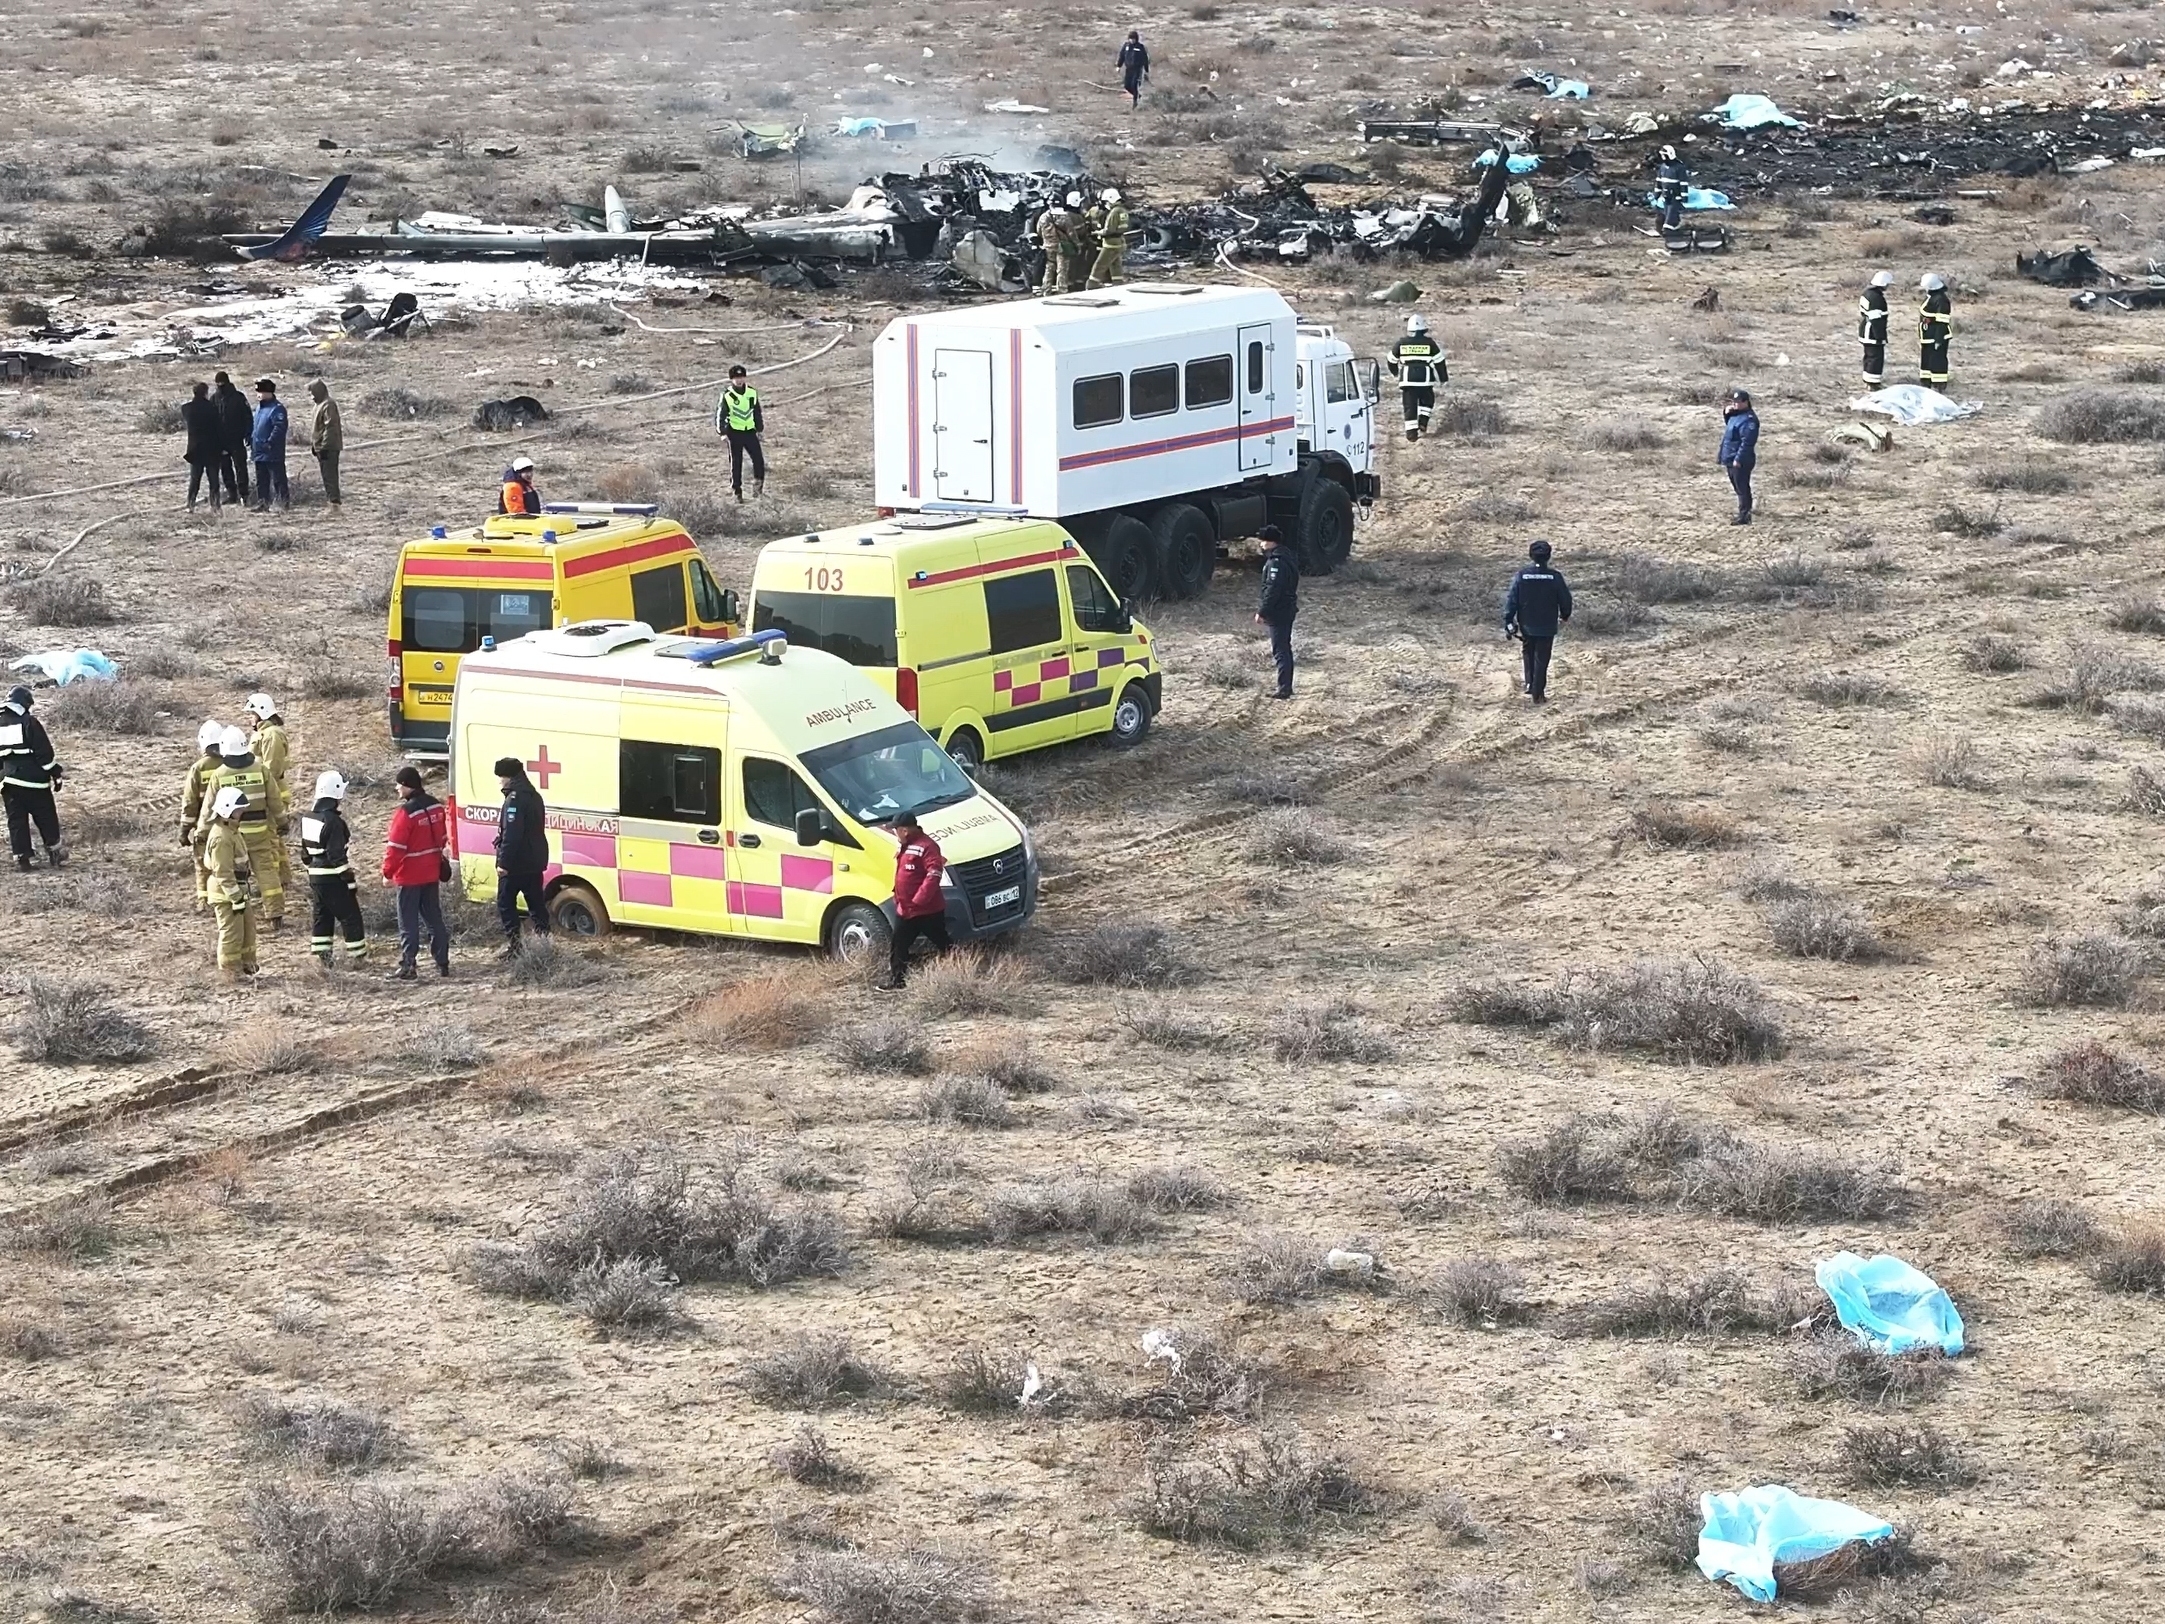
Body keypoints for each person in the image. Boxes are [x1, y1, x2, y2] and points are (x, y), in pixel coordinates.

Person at [197, 726, 285, 927]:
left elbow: (208, 807)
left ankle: (237, 909)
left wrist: (201, 833)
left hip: (232, 834)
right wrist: (282, 822)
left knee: (232, 872)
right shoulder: (260, 769)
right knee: (266, 871)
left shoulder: (220, 774)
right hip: (259, 832)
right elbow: (275, 799)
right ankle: (275, 915)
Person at [382, 765, 451, 980]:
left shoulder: (406, 813)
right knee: (434, 919)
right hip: (431, 872)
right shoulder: (436, 807)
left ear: (407, 786)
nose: (396, 788)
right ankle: (443, 962)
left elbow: (396, 847)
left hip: (409, 876)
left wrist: (387, 872)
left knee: (408, 922)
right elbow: (443, 838)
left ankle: (408, 965)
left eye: (399, 784)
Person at [301, 770, 367, 971]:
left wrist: (312, 870)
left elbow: (305, 853)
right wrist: (349, 880)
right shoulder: (334, 822)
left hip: (315, 876)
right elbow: (336, 855)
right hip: (332, 876)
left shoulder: (308, 817)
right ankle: (358, 958)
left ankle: (323, 958)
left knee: (322, 916)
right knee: (350, 916)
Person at [0, 685, 65, 871]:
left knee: (16, 820)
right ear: (24, 703)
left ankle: (22, 858)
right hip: (34, 782)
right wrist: (55, 773)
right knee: (46, 817)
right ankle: (55, 853)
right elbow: (44, 753)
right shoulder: (29, 722)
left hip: (9, 783)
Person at [882, 808, 948, 990]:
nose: (895, 833)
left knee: (943, 943)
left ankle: (960, 969)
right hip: (906, 909)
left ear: (904, 830)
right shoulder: (905, 846)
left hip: (927, 910)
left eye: (896, 830)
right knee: (898, 945)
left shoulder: (928, 846)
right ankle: (897, 981)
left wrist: (920, 899)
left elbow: (934, 873)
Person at [492, 755, 552, 954]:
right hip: (535, 860)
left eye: (500, 776)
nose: (499, 781)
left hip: (517, 863)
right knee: (536, 903)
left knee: (505, 903)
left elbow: (512, 834)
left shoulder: (515, 799)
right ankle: (545, 945)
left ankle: (516, 947)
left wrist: (504, 862)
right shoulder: (534, 795)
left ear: (508, 777)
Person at [1502, 540, 1572, 705]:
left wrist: (1508, 619)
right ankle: (1538, 693)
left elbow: (1512, 599)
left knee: (1528, 651)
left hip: (1527, 623)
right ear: (1548, 556)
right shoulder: (1555, 577)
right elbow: (1565, 598)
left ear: (1531, 556)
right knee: (1542, 657)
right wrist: (1565, 615)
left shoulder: (1522, 576)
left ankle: (1529, 683)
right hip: (1547, 625)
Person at [204, 786, 258, 982]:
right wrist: (235, 897)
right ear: (227, 810)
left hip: (238, 890)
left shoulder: (231, 831)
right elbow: (223, 872)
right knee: (231, 934)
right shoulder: (221, 837)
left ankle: (246, 966)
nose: (241, 812)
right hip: (227, 894)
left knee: (247, 929)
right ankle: (230, 972)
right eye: (239, 809)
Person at [246, 693, 293, 902]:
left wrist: (262, 795)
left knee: (270, 840)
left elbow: (271, 770)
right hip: (269, 793)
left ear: (262, 713)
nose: (250, 718)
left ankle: (273, 881)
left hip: (271, 794)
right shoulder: (265, 733)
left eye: (252, 714)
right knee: (276, 838)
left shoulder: (271, 735)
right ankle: (283, 878)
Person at [181, 718, 225, 911]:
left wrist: (184, 829)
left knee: (202, 864)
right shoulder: (232, 764)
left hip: (205, 825)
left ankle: (204, 901)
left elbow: (190, 803)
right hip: (230, 825)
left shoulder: (198, 768)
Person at [1254, 524, 1299, 700]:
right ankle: (1285, 686)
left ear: (1271, 542)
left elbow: (1273, 589)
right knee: (1284, 648)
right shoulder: (1286, 557)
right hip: (1286, 609)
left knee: (1280, 650)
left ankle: (1284, 689)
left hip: (1279, 611)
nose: (1261, 545)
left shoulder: (1276, 563)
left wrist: (1263, 611)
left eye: (1263, 541)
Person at [1387, 315, 1446, 442]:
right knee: (1428, 401)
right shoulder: (1430, 344)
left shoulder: (1401, 343)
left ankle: (1411, 434)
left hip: (1407, 380)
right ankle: (1423, 421)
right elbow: (1440, 361)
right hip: (1425, 380)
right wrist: (1443, 378)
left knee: (1409, 406)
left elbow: (1391, 359)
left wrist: (1395, 372)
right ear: (1423, 329)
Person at [716, 366, 766, 502]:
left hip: (749, 432)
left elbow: (756, 412)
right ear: (731, 379)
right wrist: (723, 432)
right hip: (734, 433)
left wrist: (759, 429)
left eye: (741, 377)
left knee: (759, 461)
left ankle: (758, 488)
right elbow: (721, 414)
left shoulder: (752, 393)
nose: (739, 380)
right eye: (736, 378)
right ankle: (737, 491)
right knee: (736, 463)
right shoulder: (727, 395)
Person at [1718, 386, 1759, 526]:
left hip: (1740, 459)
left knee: (1742, 488)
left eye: (1739, 402)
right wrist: (1726, 413)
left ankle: (1744, 515)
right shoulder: (1735, 415)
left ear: (1746, 402)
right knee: (1737, 486)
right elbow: (1730, 428)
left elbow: (1747, 442)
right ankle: (1743, 512)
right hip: (1729, 455)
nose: (1735, 404)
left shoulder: (1749, 420)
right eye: (1734, 402)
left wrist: (1739, 459)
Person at [182, 381, 224, 512]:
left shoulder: (186, 408)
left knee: (195, 479)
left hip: (195, 449)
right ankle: (215, 505)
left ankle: (190, 504)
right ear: (206, 393)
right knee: (213, 480)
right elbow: (218, 429)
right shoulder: (212, 408)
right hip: (212, 448)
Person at [213, 370, 252, 504]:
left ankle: (244, 494)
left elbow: (248, 417)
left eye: (222, 383)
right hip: (220, 441)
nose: (220, 386)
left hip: (236, 439)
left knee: (240, 467)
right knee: (225, 469)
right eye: (218, 384)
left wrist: (248, 435)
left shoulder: (238, 397)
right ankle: (231, 494)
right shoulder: (214, 398)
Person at [250, 377, 289, 511]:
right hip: (258, 450)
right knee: (262, 480)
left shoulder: (277, 409)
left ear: (269, 392)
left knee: (278, 479)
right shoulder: (259, 409)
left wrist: (270, 442)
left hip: (272, 451)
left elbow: (279, 427)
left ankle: (282, 503)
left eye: (260, 391)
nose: (258, 394)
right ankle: (263, 502)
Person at [307, 379, 342, 508]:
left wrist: (324, 447)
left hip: (329, 448)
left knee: (331, 477)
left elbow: (330, 427)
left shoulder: (328, 405)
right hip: (321, 448)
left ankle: (334, 504)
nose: (311, 396)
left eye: (313, 393)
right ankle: (331, 502)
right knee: (326, 477)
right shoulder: (319, 405)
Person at [1087, 188, 1130, 288]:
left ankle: (1092, 284)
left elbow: (1109, 230)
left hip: (1110, 243)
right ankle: (1118, 283)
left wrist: (1097, 232)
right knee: (1115, 265)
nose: (1106, 204)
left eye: (1106, 201)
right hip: (1119, 242)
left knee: (1099, 265)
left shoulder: (1114, 212)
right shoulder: (1122, 210)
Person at [1858, 270, 1892, 387]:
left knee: (1868, 356)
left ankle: (1867, 380)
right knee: (1876, 357)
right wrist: (1880, 337)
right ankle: (1873, 383)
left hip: (1865, 329)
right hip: (1872, 332)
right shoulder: (1877, 298)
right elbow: (1876, 320)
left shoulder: (1867, 293)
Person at [1919, 272, 1953, 387]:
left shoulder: (1941, 300)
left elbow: (1942, 322)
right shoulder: (1932, 297)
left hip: (1937, 335)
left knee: (1937, 359)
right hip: (1928, 336)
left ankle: (1939, 384)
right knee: (1927, 358)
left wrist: (1939, 339)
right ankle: (1926, 381)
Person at [1060, 190, 1095, 295]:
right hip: (1077, 245)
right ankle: (1076, 285)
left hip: (1066, 246)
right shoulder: (1077, 217)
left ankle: (1069, 284)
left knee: (1068, 267)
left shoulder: (1063, 215)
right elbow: (1082, 232)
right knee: (1076, 266)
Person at [1035, 199, 1074, 295]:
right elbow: (1071, 233)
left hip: (1048, 246)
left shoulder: (1043, 217)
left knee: (1049, 267)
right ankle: (1062, 289)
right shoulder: (1064, 216)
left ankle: (1046, 289)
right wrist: (1076, 244)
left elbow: (1039, 231)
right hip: (1062, 246)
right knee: (1062, 269)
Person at [1655, 144, 1689, 232]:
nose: (1662, 157)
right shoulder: (1662, 167)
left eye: (1664, 155)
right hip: (1665, 196)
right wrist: (1657, 193)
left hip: (1675, 196)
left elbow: (1683, 183)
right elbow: (1659, 181)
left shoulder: (1679, 167)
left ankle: (1669, 227)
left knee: (1672, 212)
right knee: (1666, 212)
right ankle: (1667, 227)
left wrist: (1684, 196)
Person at [1117, 29, 1150, 108]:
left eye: (1133, 39)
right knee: (1127, 86)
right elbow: (1122, 56)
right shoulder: (1126, 46)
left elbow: (1145, 59)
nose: (1132, 40)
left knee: (1134, 85)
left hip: (1137, 70)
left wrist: (1146, 70)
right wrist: (1119, 66)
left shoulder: (1140, 47)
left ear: (1136, 39)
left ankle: (1135, 103)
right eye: (1130, 39)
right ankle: (1137, 96)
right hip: (1128, 69)